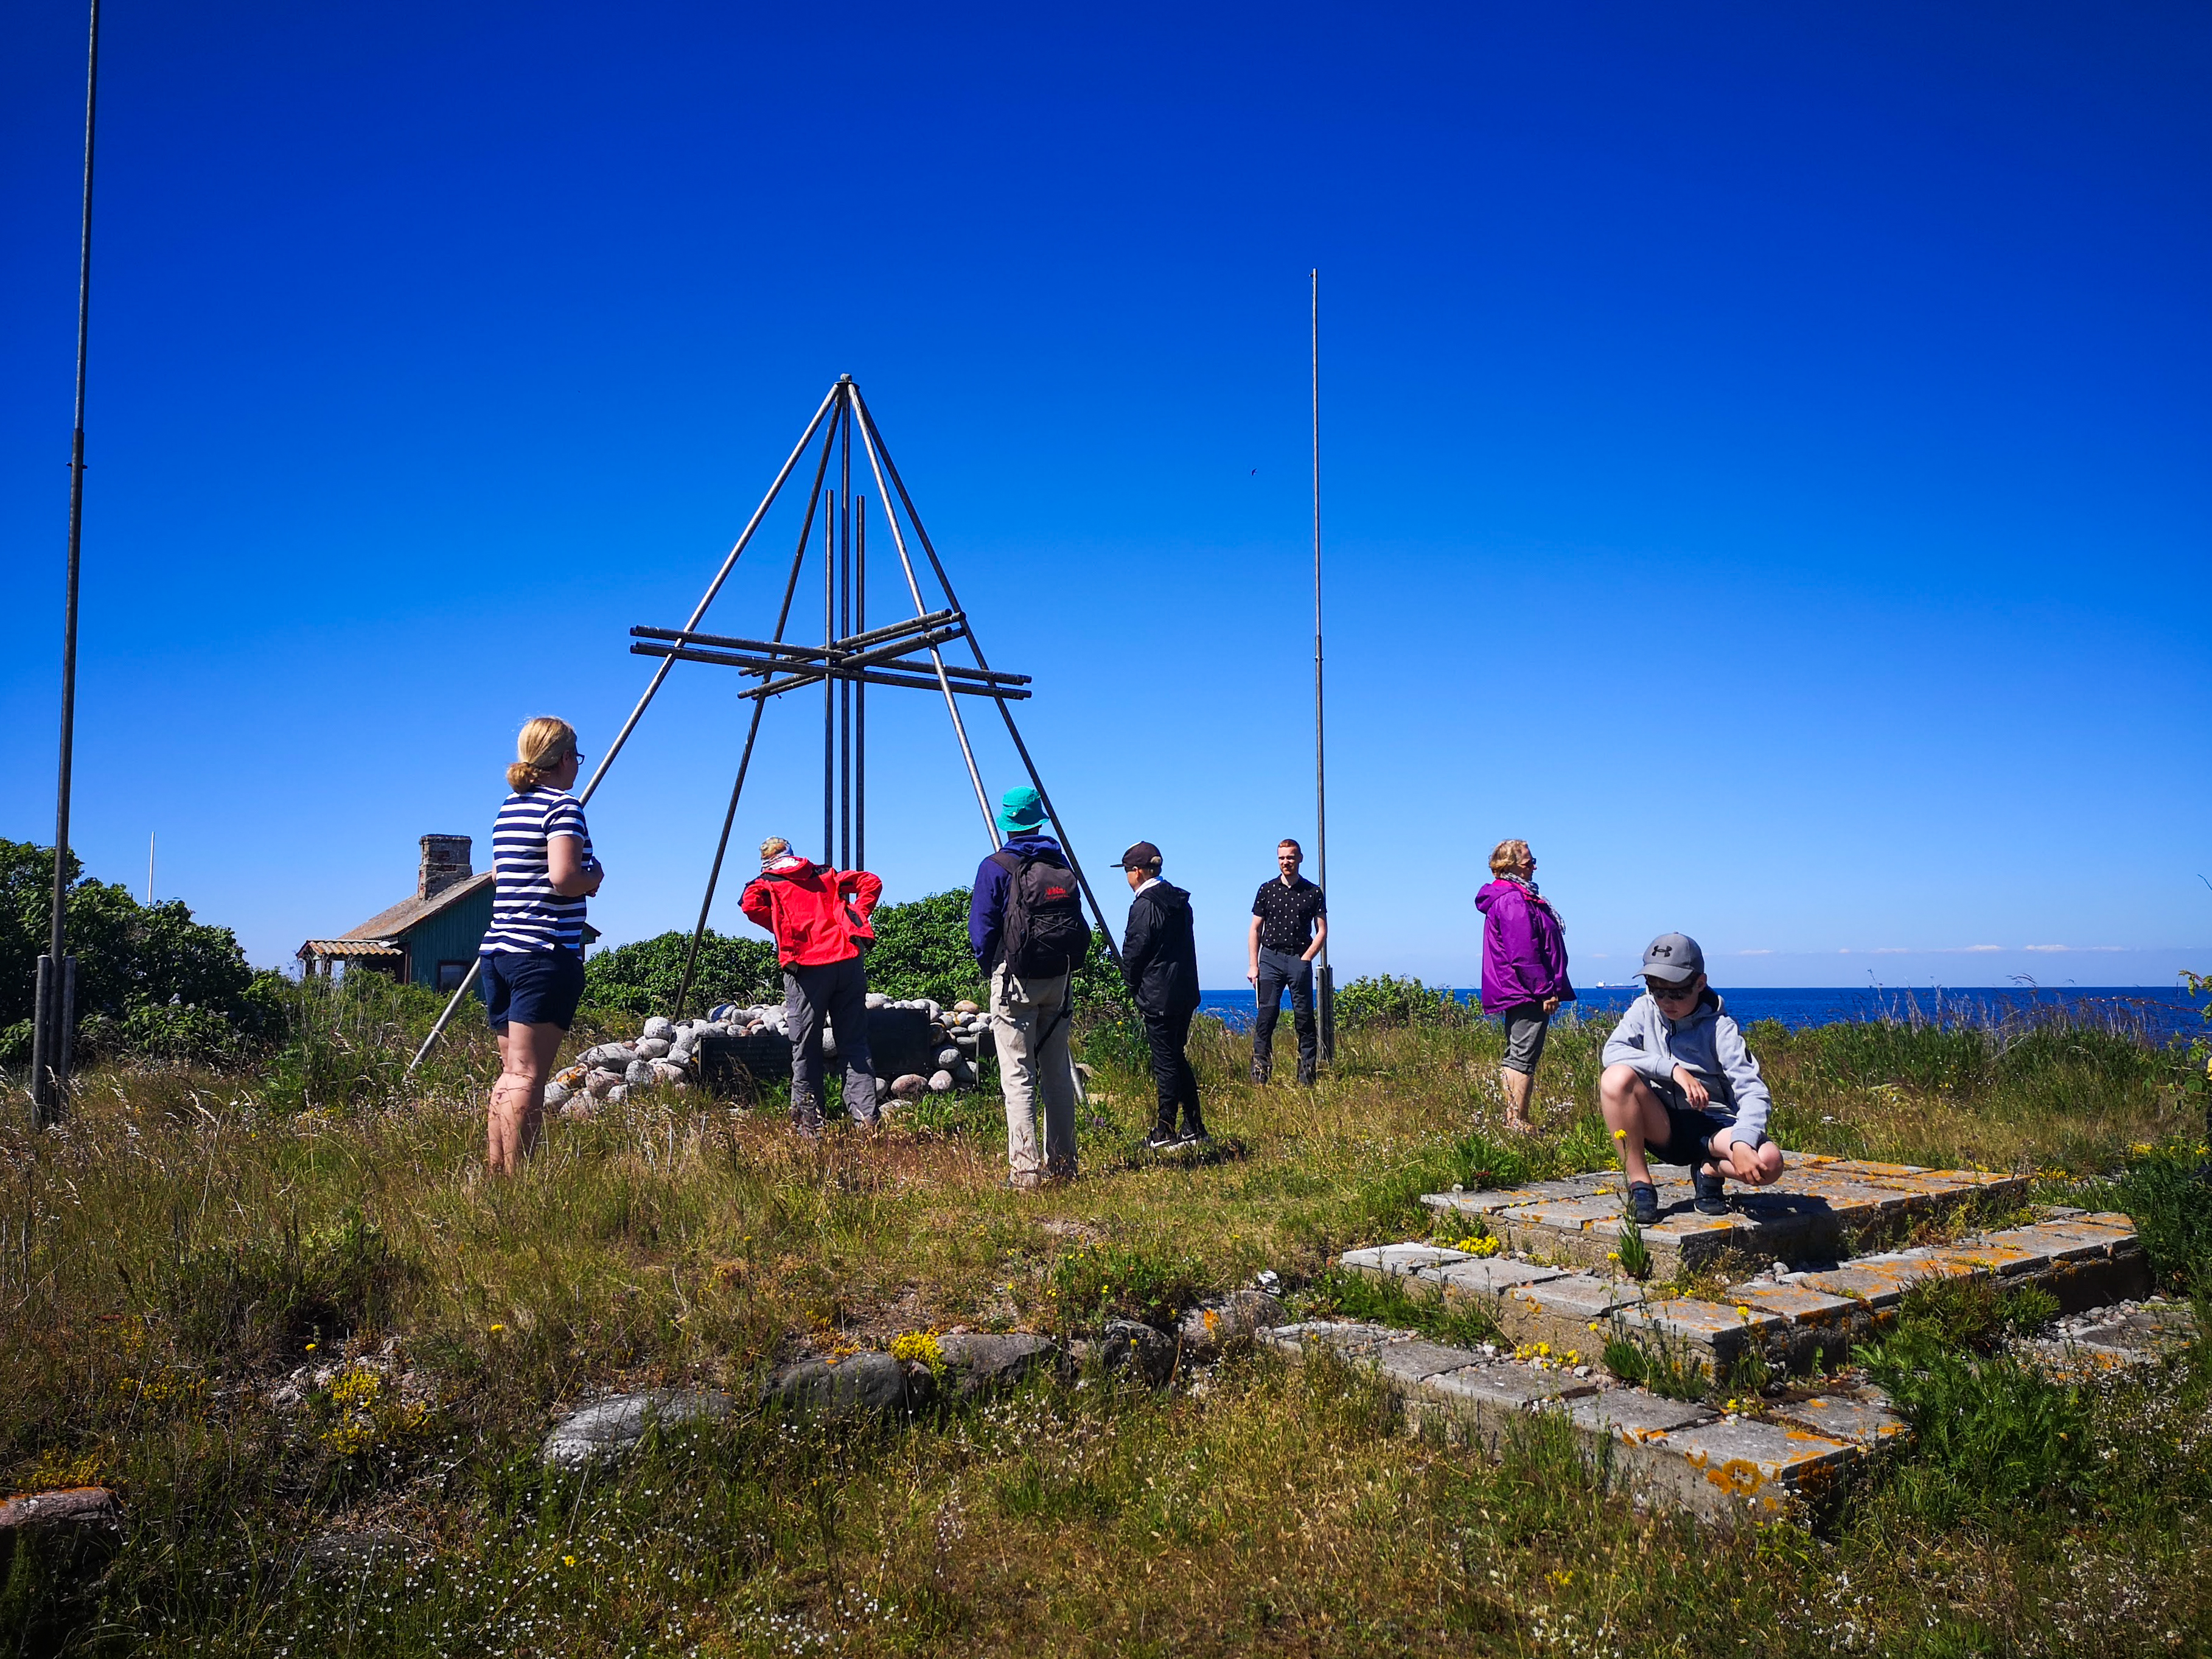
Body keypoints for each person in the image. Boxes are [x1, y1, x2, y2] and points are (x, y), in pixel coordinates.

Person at [481, 717, 603, 1176]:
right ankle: (518, 1183)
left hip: (499, 952)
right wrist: (594, 878)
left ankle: (498, 1173)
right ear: (565, 758)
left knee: (510, 1074)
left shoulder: (508, 808)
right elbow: (564, 878)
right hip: (544, 951)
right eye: (577, 758)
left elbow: (499, 874)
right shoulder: (563, 807)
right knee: (528, 1077)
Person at [1600, 932, 1787, 1224]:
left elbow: (1753, 1091)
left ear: (1700, 983)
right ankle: (1641, 1186)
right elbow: (1612, 1052)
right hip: (1661, 1122)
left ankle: (1709, 1170)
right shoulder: (1644, 1009)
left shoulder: (1721, 1028)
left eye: (1677, 993)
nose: (1665, 1001)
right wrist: (1672, 1070)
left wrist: (1743, 1142)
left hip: (1712, 1125)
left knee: (1769, 1163)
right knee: (1615, 1078)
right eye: (1656, 990)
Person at [969, 786, 1089, 1189]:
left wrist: (994, 968)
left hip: (1014, 980)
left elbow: (982, 930)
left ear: (1008, 825)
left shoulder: (996, 866)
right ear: (1038, 819)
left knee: (1018, 1076)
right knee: (1056, 1073)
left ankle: (1025, 1172)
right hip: (1059, 977)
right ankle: (1065, 1167)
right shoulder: (1059, 862)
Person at [739, 836, 884, 1136]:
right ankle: (866, 1123)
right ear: (793, 854)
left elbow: (749, 905)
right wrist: (856, 918)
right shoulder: (824, 874)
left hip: (805, 969)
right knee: (855, 1044)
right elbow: (871, 882)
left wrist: (780, 925)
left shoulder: (766, 882)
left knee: (805, 1048)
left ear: (766, 860)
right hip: (847, 960)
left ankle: (810, 1129)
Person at [1476, 839, 1574, 1133]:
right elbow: (1523, 951)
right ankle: (1516, 1120)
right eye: (1529, 862)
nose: (1535, 867)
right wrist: (1545, 990)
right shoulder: (1513, 900)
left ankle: (1514, 1118)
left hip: (1520, 988)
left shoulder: (1514, 897)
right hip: (1526, 990)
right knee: (1523, 1055)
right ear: (1512, 867)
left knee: (1518, 1052)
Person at [1117, 840, 1206, 1150]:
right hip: (1184, 990)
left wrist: (1131, 984)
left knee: (1166, 1063)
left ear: (1138, 872)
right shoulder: (1179, 901)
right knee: (1177, 1058)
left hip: (1157, 994)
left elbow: (1135, 951)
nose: (1127, 879)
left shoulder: (1145, 905)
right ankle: (1193, 1126)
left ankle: (1165, 1130)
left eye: (1127, 872)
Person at [1247, 839, 1328, 1085]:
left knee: (1304, 1020)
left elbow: (1322, 930)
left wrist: (1307, 958)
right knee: (1266, 1019)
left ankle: (1306, 1080)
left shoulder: (1313, 892)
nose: (1286, 862)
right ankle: (1260, 1078)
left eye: (1291, 857)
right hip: (1270, 958)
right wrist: (1254, 965)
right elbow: (1255, 930)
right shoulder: (1267, 889)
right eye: (1282, 858)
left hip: (1298, 959)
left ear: (1300, 858)